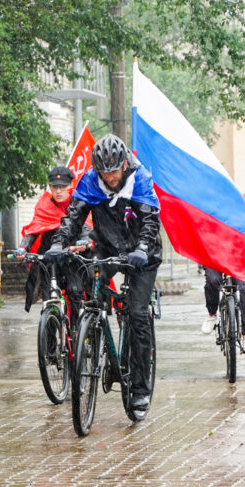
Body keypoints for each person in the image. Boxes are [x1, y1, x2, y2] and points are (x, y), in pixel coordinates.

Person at [44, 133, 162, 412]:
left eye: (114, 171)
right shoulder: (90, 180)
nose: (110, 178)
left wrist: (143, 248)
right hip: (107, 246)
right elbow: (73, 216)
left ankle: (140, 388)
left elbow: (150, 220)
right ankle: (92, 333)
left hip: (142, 253)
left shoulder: (140, 178)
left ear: (124, 164)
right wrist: (60, 242)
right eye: (104, 172)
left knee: (136, 313)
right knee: (84, 281)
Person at [14, 166, 91, 321]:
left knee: (75, 293)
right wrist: (23, 247)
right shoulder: (44, 205)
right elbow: (34, 230)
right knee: (48, 302)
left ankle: (77, 337)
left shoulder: (78, 203)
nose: (58, 191)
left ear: (70, 186)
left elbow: (86, 226)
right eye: (54, 187)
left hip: (72, 258)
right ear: (49, 187)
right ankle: (49, 342)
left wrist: (85, 241)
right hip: (49, 260)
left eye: (62, 186)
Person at [201, 269, 245, 353]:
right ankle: (212, 314)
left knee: (243, 291)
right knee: (212, 281)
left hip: (236, 262)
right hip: (216, 261)